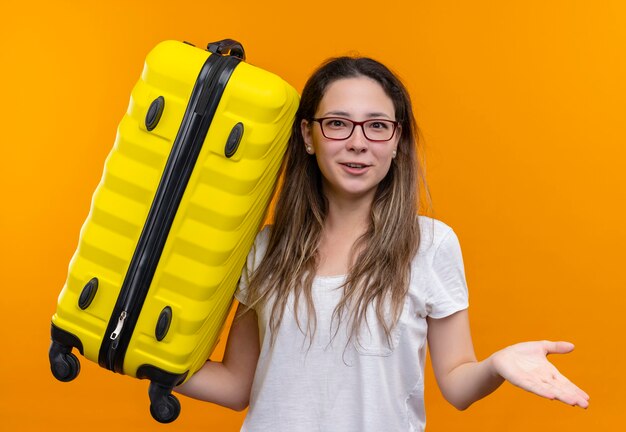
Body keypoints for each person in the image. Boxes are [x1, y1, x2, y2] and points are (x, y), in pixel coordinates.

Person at [176, 56, 589, 431]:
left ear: (396, 141)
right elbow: (235, 385)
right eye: (337, 123)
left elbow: (458, 384)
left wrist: (498, 364)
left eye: (377, 125)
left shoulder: (429, 245)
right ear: (307, 134)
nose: (358, 142)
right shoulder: (265, 249)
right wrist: (138, 355)